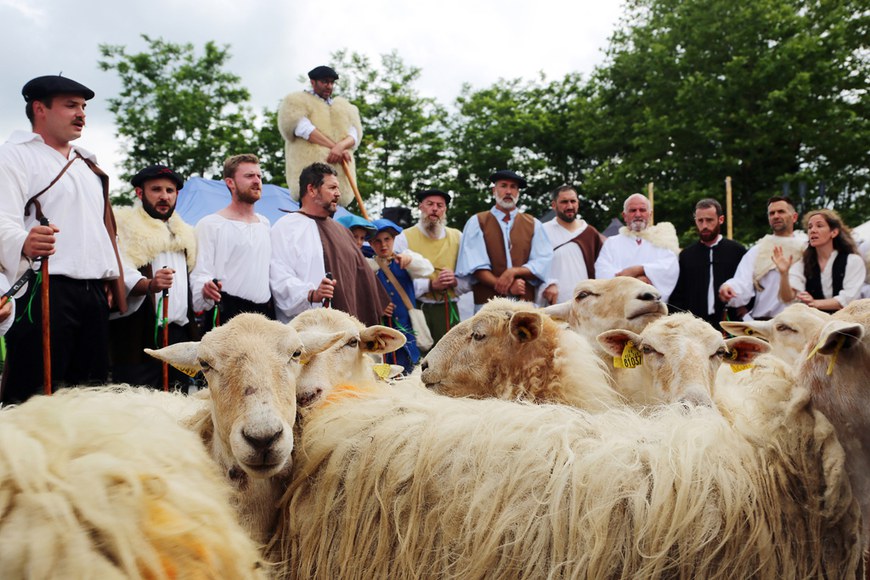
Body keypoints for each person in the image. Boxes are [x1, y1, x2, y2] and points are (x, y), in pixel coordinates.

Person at [0, 75, 135, 403]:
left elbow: (102, 231)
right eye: (70, 105)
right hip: (43, 290)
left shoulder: (87, 165)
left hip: (92, 298)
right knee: (34, 395)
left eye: (84, 107)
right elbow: (3, 217)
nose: (82, 114)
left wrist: (109, 277)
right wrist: (24, 241)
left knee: (90, 393)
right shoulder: (13, 155)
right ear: (39, 108)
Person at [110, 165, 199, 389]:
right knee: (140, 401)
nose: (164, 196)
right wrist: (149, 284)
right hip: (140, 332)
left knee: (179, 399)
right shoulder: (126, 228)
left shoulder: (186, 234)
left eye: (170, 191)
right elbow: (121, 267)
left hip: (178, 333)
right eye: (156, 190)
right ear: (140, 193)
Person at [270, 162, 390, 325]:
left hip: (345, 330)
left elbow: (362, 275)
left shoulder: (342, 231)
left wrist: (379, 301)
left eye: (338, 188)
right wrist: (311, 294)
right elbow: (278, 277)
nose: (338, 194)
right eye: (332, 188)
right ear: (311, 189)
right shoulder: (286, 228)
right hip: (306, 331)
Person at [190, 154, 274, 327]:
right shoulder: (210, 224)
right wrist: (205, 289)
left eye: (259, 176)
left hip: (264, 317)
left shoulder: (265, 224)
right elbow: (201, 272)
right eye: (249, 176)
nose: (257, 181)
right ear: (230, 183)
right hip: (227, 314)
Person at [456, 170, 553, 312]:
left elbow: (542, 261)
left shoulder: (534, 224)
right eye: (503, 186)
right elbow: (476, 266)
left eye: (513, 187)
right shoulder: (477, 222)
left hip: (524, 307)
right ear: (494, 190)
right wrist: (506, 286)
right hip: (488, 306)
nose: (508, 191)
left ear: (518, 192)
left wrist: (513, 271)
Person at [278, 65, 362, 207]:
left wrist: (340, 146)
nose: (329, 86)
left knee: (331, 221)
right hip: (311, 174)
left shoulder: (345, 108)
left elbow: (354, 134)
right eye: (324, 82)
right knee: (309, 216)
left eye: (331, 82)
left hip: (337, 179)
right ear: (313, 82)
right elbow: (304, 130)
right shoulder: (297, 102)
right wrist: (335, 148)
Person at [394, 189, 470, 343]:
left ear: (445, 210)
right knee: (420, 359)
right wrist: (430, 285)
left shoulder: (458, 237)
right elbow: (397, 282)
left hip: (449, 307)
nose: (435, 209)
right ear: (420, 207)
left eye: (440, 205)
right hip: (416, 308)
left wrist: (454, 280)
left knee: (452, 356)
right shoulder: (403, 237)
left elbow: (470, 278)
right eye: (430, 204)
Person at [719, 196, 807, 321]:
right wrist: (729, 288)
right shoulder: (758, 250)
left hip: (799, 321)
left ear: (794, 217)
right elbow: (743, 281)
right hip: (764, 321)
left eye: (781, 211)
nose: (776, 216)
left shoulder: (805, 248)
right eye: (772, 213)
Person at [668, 198, 746, 329]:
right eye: (700, 220)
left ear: (720, 220)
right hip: (695, 326)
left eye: (709, 220)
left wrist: (747, 307)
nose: (704, 225)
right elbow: (678, 295)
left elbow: (748, 283)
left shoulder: (737, 251)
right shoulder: (686, 256)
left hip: (730, 325)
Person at [369, 218, 434, 372]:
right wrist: (378, 307)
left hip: (407, 329)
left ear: (394, 240)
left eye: (387, 239)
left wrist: (410, 260)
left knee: (410, 368)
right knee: (384, 369)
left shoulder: (405, 259)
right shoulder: (368, 266)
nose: (383, 245)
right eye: (377, 241)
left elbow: (428, 269)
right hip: (382, 332)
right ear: (371, 244)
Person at [773, 209, 865, 313]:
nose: (813, 230)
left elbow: (849, 298)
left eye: (819, 226)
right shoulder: (803, 264)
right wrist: (783, 274)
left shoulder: (853, 261)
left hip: (845, 323)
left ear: (834, 232)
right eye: (810, 227)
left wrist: (815, 303)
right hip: (815, 324)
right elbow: (788, 298)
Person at [594, 193, 680, 302]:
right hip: (622, 308)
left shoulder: (662, 241)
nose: (638, 214)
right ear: (624, 216)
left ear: (650, 214)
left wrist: (640, 269)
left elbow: (669, 268)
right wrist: (637, 281)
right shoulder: (611, 243)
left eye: (642, 210)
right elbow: (602, 272)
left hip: (653, 306)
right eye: (633, 210)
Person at [538, 185, 604, 305]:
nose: (569, 206)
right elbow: (536, 266)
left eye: (573, 201)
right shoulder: (543, 231)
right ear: (554, 205)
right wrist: (547, 284)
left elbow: (601, 268)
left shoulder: (589, 232)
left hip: (585, 304)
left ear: (578, 203)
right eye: (564, 202)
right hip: (554, 305)